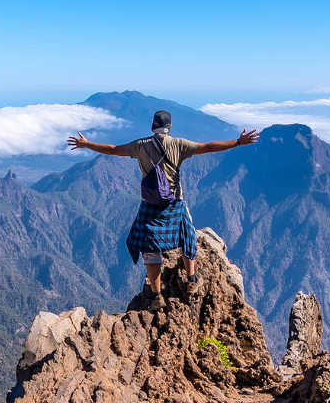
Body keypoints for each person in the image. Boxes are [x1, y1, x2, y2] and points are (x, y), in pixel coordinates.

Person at [67, 110, 259, 311]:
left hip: (149, 205)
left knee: (150, 249)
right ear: (170, 127)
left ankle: (157, 296)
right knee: (187, 236)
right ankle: (192, 279)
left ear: (153, 125)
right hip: (174, 203)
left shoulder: (141, 146)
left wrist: (87, 144)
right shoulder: (179, 144)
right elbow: (209, 147)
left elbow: (113, 149)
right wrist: (237, 142)